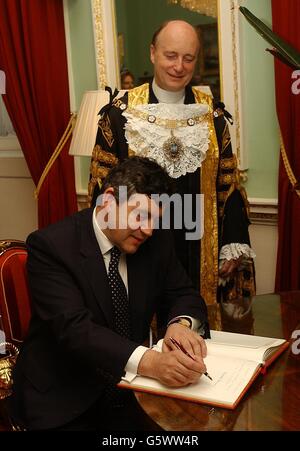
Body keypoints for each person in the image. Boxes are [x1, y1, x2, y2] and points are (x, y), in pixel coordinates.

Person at [9, 156, 210, 431]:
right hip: (64, 398)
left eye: (156, 219)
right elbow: (75, 330)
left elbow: (183, 293)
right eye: (141, 215)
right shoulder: (51, 246)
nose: (148, 230)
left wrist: (180, 325)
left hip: (132, 391)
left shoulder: (154, 240)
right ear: (108, 200)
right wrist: (152, 362)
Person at [89, 20, 255, 304]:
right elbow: (101, 186)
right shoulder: (119, 114)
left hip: (198, 244)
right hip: (137, 244)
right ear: (153, 53)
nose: (179, 66)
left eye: (188, 58)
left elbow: (228, 183)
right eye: (171, 56)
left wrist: (231, 242)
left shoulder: (212, 116)